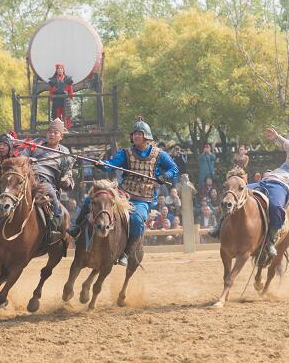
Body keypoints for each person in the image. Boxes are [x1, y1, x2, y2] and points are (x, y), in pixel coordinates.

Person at [72, 117, 179, 266]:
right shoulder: (125, 153)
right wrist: (102, 164)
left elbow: (174, 169)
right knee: (93, 200)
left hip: (143, 199)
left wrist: (164, 176)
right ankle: (76, 228)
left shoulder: (160, 154)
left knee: (136, 220)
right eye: (134, 134)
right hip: (123, 194)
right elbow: (112, 164)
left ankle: (126, 252)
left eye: (139, 134)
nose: (135, 136)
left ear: (146, 136)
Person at [210, 128, 289, 258]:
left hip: (279, 186)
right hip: (263, 183)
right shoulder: (284, 165)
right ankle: (220, 225)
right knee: (235, 194)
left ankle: (270, 240)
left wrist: (277, 137)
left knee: (275, 206)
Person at [20, 119, 75, 242]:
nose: (51, 134)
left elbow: (68, 174)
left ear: (61, 136)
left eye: (55, 132)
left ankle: (55, 226)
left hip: (46, 182)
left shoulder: (65, 152)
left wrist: (66, 180)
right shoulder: (36, 143)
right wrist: (28, 159)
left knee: (48, 189)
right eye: (49, 132)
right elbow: (22, 155)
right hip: (28, 177)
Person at [48, 63, 74, 128]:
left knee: (67, 114)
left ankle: (67, 128)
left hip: (65, 99)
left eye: (61, 69)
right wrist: (51, 98)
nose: (59, 70)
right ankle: (57, 128)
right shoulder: (53, 80)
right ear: (56, 70)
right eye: (58, 69)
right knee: (56, 115)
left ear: (63, 70)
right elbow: (51, 91)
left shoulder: (68, 79)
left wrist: (71, 96)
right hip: (56, 99)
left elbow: (70, 89)